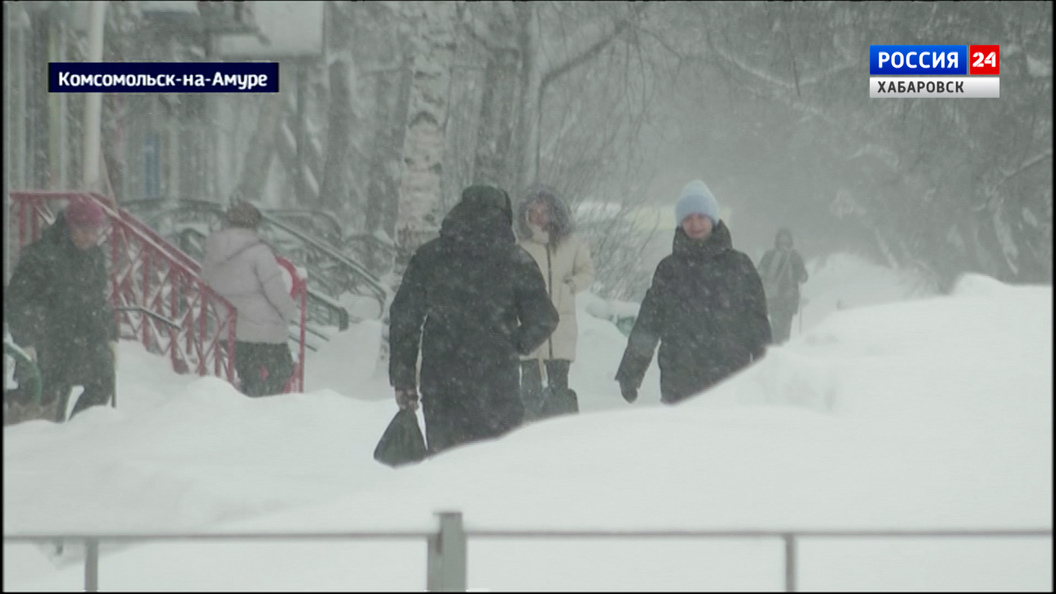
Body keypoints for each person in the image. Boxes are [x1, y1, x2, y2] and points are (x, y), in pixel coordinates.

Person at [389, 184, 560, 454]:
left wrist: (404, 378)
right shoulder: (517, 261)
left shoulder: (431, 256)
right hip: (496, 387)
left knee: (444, 464)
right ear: (503, 217)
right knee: (492, 469)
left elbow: (404, 319)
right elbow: (545, 318)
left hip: (442, 383)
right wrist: (512, 344)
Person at [615, 180, 771, 405]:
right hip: (680, 381)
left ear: (713, 218)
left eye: (701, 216)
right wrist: (631, 372)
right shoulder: (669, 269)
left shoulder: (739, 265)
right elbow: (648, 324)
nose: (695, 223)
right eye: (688, 218)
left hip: (731, 381)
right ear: (680, 223)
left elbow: (758, 324)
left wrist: (765, 371)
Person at [4, 198, 118, 422]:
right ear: (69, 226)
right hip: (44, 344)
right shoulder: (41, 256)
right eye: (82, 230)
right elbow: (18, 301)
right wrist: (26, 342)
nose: (89, 237)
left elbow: (98, 303)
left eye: (95, 231)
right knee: (47, 405)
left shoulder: (93, 258)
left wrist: (109, 336)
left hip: (79, 344)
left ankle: (78, 433)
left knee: (103, 380)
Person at [514, 186, 595, 420]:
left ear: (554, 213)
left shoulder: (572, 244)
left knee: (559, 389)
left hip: (562, 328)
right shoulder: (521, 247)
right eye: (533, 212)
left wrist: (570, 286)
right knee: (529, 389)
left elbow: (587, 272)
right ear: (525, 215)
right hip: (529, 330)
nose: (539, 217)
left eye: (544, 211)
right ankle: (528, 432)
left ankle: (560, 434)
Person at [202, 201, 298, 397]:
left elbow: (205, 282)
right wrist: (290, 313)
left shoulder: (213, 253)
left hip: (227, 328)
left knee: (250, 376)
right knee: (283, 371)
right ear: (255, 225)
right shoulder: (260, 254)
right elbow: (276, 292)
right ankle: (264, 411)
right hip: (262, 330)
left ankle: (249, 406)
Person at [757, 227, 808, 344]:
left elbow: (760, 272)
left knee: (777, 327)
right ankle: (780, 351)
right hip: (787, 298)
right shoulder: (794, 256)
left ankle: (777, 351)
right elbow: (803, 276)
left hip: (774, 297)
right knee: (783, 329)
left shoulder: (770, 255)